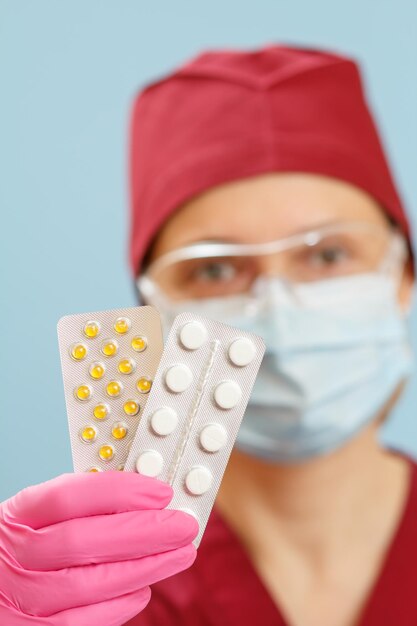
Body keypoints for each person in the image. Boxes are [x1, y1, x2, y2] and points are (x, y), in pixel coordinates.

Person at [0, 44, 415, 626]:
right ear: (153, 313)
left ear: (402, 276)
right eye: (215, 269)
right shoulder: (93, 600)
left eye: (327, 254)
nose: (279, 309)